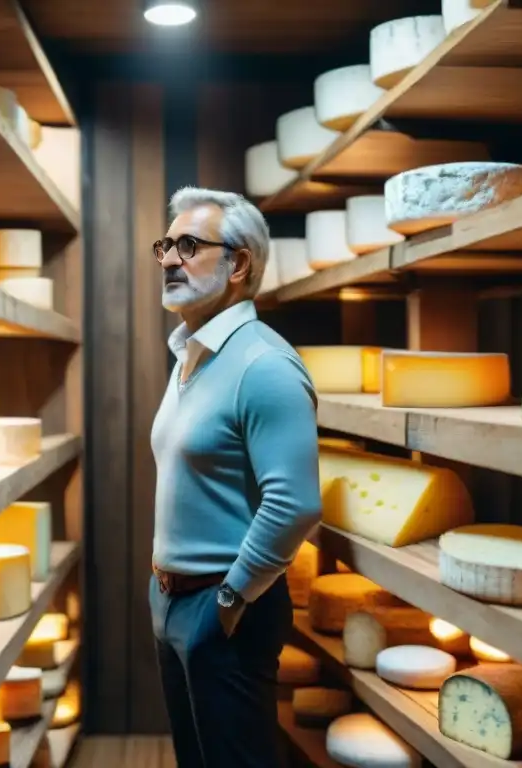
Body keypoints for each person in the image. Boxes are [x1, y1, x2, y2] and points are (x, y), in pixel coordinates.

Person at [149, 186, 321, 767]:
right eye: (165, 246)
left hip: (223, 607)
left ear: (238, 263)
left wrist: (228, 597)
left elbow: (294, 503)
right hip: (174, 600)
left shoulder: (263, 364)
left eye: (189, 245)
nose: (170, 259)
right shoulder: (192, 357)